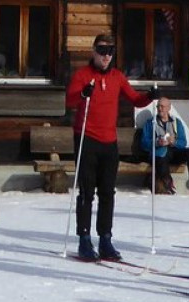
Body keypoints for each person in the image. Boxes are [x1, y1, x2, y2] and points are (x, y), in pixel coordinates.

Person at [66, 33, 156, 261]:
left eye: (110, 52)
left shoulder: (117, 76)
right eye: (102, 51)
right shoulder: (83, 75)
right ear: (93, 52)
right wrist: (82, 93)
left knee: (108, 192)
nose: (106, 56)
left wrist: (150, 97)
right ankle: (84, 239)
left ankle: (105, 237)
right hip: (87, 138)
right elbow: (69, 100)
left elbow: (134, 98)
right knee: (87, 192)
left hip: (109, 141)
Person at [136, 96, 189, 195]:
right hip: (159, 153)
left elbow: (183, 142)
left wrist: (174, 142)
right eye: (158, 107)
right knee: (162, 155)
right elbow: (144, 143)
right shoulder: (151, 123)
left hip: (174, 152)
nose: (160, 109)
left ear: (169, 108)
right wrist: (157, 142)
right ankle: (168, 183)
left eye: (162, 106)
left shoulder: (176, 122)